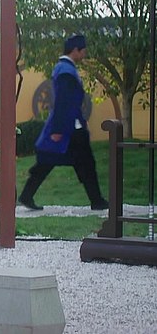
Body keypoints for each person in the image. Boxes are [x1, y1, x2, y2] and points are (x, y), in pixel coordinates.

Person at [18, 34, 109, 211]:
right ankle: (97, 200)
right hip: (69, 127)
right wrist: (58, 129)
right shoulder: (66, 71)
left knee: (50, 161)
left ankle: (27, 195)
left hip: (69, 125)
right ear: (75, 50)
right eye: (83, 51)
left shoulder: (64, 69)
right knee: (84, 163)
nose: (84, 54)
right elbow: (63, 101)